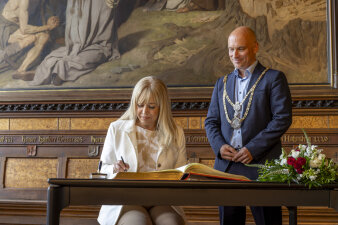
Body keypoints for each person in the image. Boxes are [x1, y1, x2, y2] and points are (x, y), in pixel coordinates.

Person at [204, 26, 292, 225]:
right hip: (227, 167)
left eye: (240, 49)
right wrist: (219, 147)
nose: (234, 55)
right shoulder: (222, 83)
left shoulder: (274, 78)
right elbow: (211, 121)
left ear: (255, 47)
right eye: (230, 49)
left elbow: (282, 119)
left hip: (261, 166)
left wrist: (252, 149)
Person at [97, 76, 187, 225]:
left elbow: (182, 173)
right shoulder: (117, 129)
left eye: (151, 106)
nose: (144, 111)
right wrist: (114, 168)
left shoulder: (176, 133)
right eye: (140, 105)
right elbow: (102, 171)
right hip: (126, 200)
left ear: (162, 106)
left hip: (162, 200)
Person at [29, 0, 120, 86]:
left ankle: (61, 72)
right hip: (79, 41)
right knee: (52, 59)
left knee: (90, 54)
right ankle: (55, 70)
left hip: (98, 41)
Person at [0, 0, 59, 80]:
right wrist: (47, 27)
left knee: (44, 36)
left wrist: (51, 18)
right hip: (5, 30)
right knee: (32, 38)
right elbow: (24, 29)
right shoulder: (24, 1)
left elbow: (43, 11)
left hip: (17, 28)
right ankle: (3, 56)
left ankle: (21, 70)